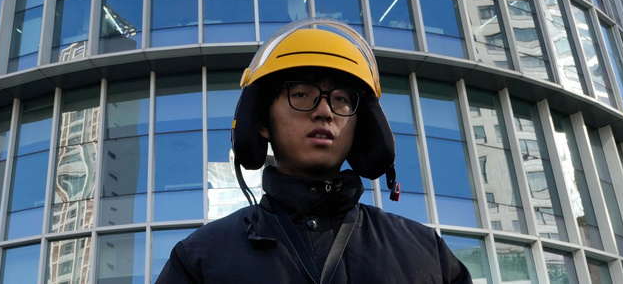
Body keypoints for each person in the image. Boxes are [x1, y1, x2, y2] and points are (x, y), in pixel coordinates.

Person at [157, 19, 472, 283]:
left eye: (341, 99)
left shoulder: (427, 255)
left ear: (360, 127)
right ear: (262, 122)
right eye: (301, 94)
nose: (325, 111)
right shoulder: (200, 259)